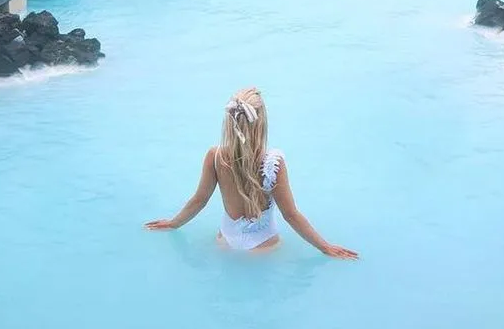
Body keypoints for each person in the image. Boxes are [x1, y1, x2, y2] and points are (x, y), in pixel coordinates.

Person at [145, 87, 358, 258]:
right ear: (261, 124)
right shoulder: (273, 162)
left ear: (229, 123)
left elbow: (199, 200)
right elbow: (291, 215)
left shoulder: (215, 156)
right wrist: (325, 247)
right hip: (263, 249)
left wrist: (174, 223)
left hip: (225, 243)